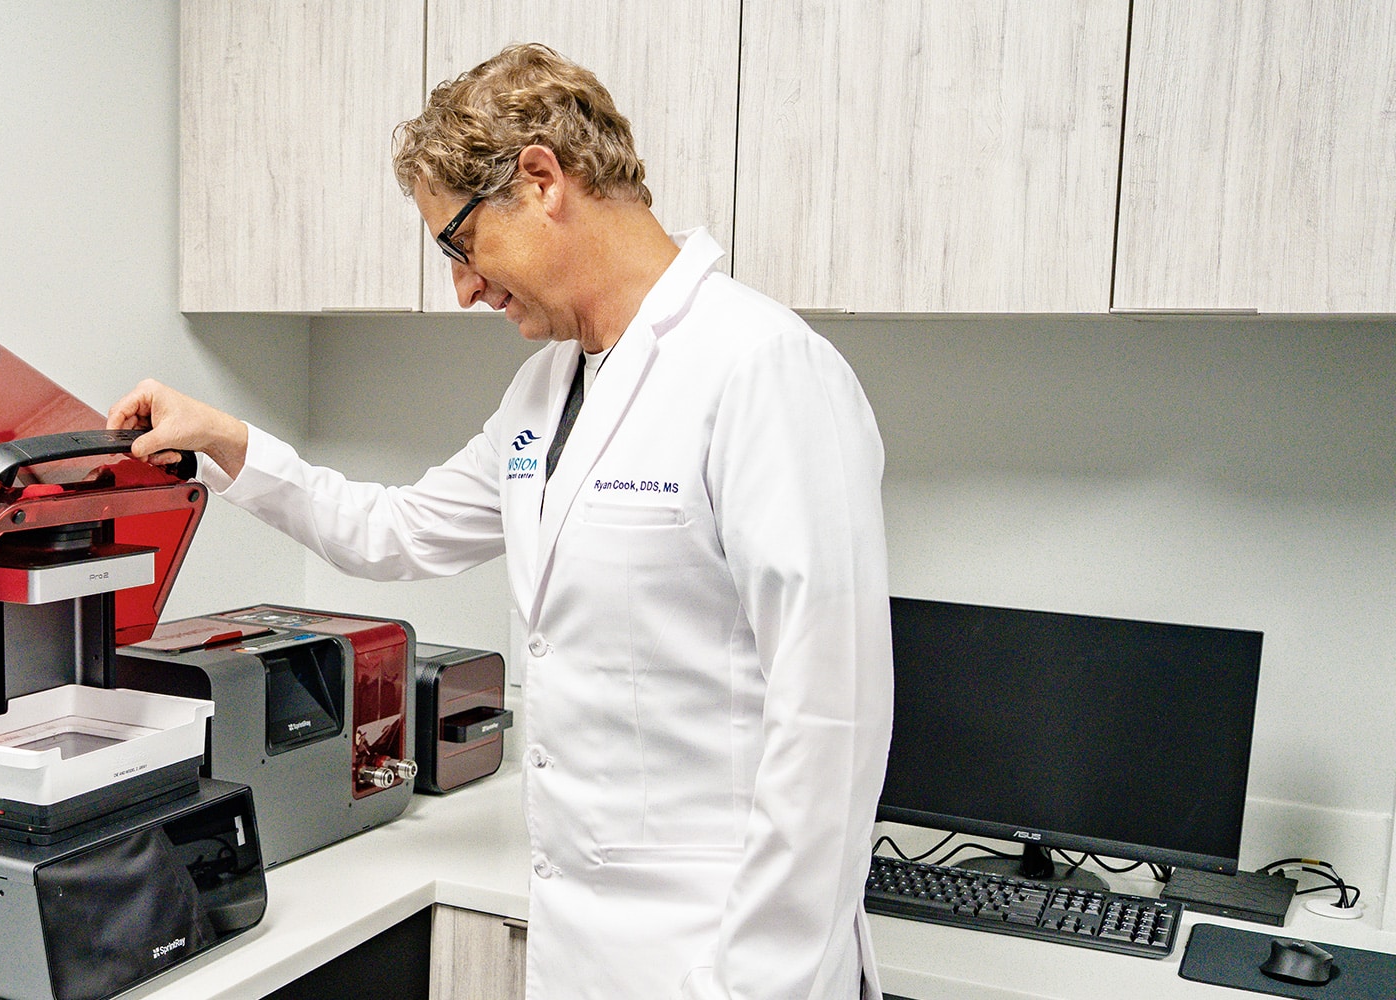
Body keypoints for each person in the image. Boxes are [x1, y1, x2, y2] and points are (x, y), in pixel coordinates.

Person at [111, 44, 891, 1000]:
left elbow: (832, 727)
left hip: (731, 959)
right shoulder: (545, 392)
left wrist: (755, 983)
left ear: (540, 179)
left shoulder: (761, 369)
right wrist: (231, 444)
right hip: (590, 956)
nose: (464, 287)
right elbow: (393, 532)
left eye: (460, 242)